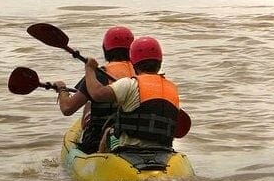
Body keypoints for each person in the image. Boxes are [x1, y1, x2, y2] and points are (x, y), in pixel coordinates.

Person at [84, 36, 180, 152]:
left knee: (108, 131)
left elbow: (97, 94)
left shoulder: (129, 84)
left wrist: (89, 69)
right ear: (159, 63)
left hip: (129, 150)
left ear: (134, 63)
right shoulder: (172, 88)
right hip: (163, 149)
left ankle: (99, 159)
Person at [53, 26, 135, 154]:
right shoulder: (142, 74)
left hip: (98, 141)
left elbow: (68, 108)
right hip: (134, 139)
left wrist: (62, 89)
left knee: (89, 103)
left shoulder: (99, 74)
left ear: (105, 49)